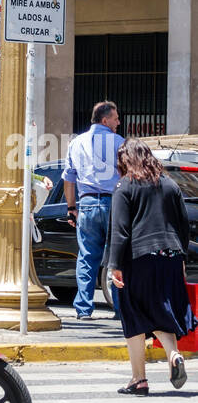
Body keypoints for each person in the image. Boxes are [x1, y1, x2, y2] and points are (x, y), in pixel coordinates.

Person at [109, 139, 196, 395]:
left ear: (126, 160)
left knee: (134, 315)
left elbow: (120, 229)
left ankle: (139, 379)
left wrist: (114, 264)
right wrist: (181, 259)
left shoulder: (126, 186)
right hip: (170, 256)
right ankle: (173, 355)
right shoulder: (169, 184)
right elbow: (183, 224)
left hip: (139, 258)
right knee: (160, 310)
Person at [63, 100, 124, 319]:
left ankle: (84, 309)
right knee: (116, 258)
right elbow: (126, 176)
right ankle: (120, 308)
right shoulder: (119, 142)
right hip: (114, 204)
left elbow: (69, 179)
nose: (118, 122)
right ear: (105, 120)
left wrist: (71, 207)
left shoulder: (76, 143)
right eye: (116, 118)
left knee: (87, 257)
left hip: (87, 204)